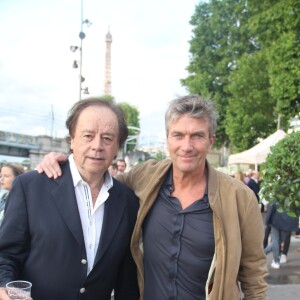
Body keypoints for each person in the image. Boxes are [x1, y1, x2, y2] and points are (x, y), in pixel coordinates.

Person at [36, 95, 268, 299]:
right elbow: (97, 180)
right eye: (178, 135)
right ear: (168, 138)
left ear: (211, 141)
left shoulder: (240, 198)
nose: (186, 146)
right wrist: (66, 162)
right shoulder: (144, 178)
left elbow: (254, 275)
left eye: (197, 136)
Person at [0, 98, 139, 300]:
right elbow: (5, 256)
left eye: (107, 138)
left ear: (118, 147)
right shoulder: (30, 187)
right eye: (88, 136)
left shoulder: (127, 201)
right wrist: (5, 289)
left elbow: (126, 281)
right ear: (72, 140)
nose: (97, 146)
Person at [264, 203, 299, 269]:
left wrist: (267, 221)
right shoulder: (295, 195)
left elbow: (272, 205)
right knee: (279, 241)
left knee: (275, 240)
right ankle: (273, 259)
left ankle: (274, 260)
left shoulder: (278, 193)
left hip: (276, 219)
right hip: (288, 222)